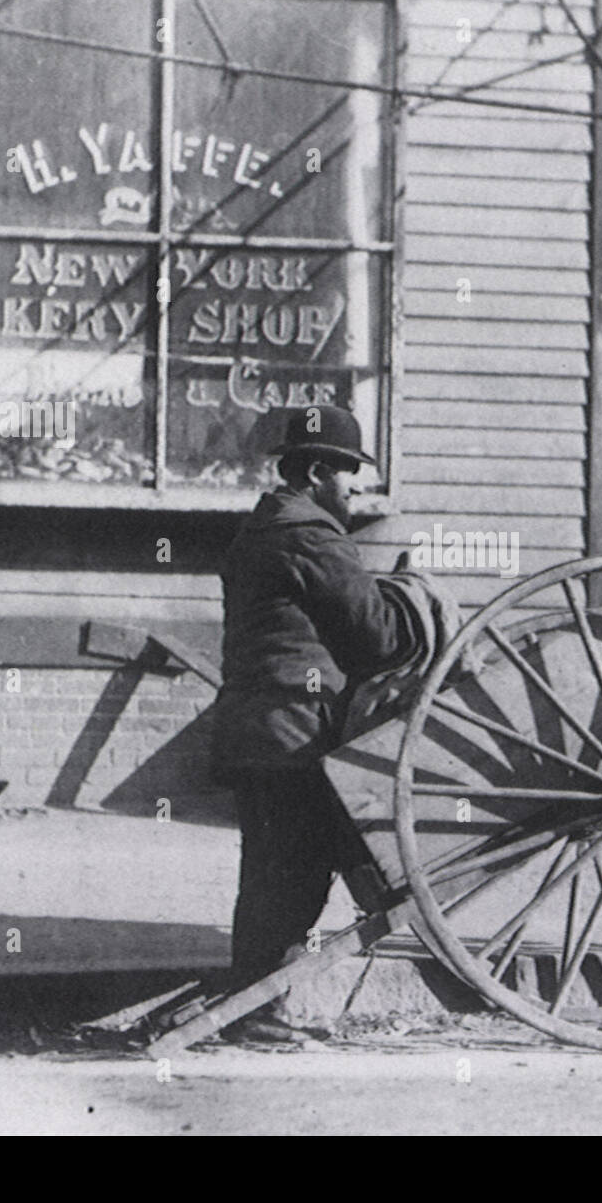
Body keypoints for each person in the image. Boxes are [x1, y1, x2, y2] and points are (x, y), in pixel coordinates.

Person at [211, 405, 416, 1029]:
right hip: (291, 734)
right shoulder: (312, 534)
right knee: (290, 877)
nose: (359, 485)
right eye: (352, 471)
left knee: (276, 872)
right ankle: (254, 1009)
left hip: (262, 729)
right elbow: (376, 639)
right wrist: (412, 595)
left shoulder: (267, 527)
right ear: (320, 470)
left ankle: (257, 1002)